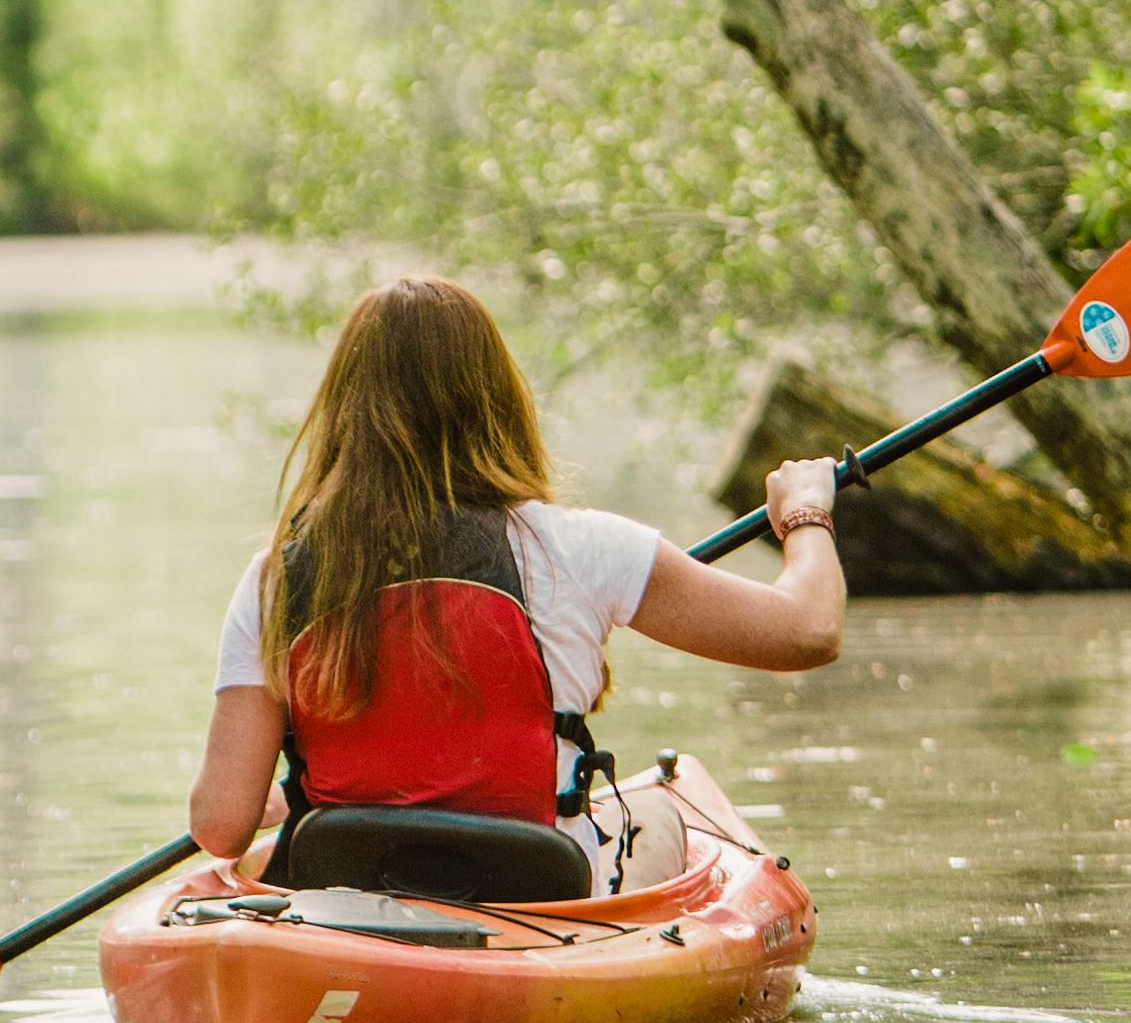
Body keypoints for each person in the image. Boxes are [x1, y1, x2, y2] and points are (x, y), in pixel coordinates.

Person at [192, 275, 845, 890]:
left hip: (343, 902)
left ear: (343, 412)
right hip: (537, 900)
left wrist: (288, 796)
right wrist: (804, 512)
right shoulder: (579, 546)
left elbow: (222, 827)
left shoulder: (276, 580)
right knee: (666, 807)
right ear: (497, 400)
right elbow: (807, 631)